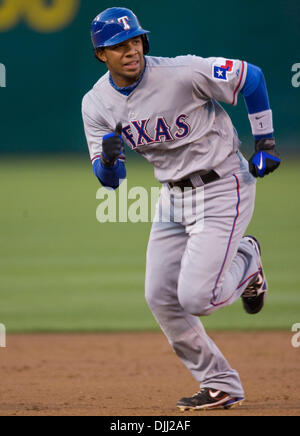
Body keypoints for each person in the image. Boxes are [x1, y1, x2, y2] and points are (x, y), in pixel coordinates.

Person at [82, 7, 280, 411]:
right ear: (101, 54)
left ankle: (248, 256)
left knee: (197, 297)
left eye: (135, 41)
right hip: (171, 197)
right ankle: (220, 383)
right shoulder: (96, 103)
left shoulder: (183, 73)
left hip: (222, 184)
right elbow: (111, 179)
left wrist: (265, 143)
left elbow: (251, 77)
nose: (131, 50)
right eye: (118, 46)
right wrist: (107, 160)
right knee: (160, 296)